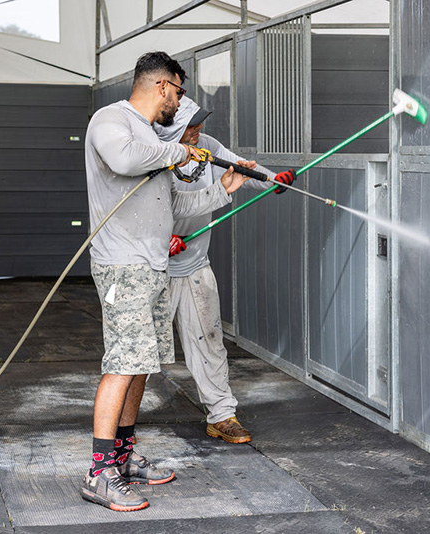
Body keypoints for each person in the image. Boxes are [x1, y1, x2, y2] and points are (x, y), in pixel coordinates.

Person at [82, 51, 253, 512]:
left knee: (141, 364)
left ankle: (122, 457)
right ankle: (99, 473)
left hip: (152, 265)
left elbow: (174, 203)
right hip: (123, 266)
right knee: (122, 363)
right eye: (179, 92)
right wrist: (181, 151)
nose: (179, 103)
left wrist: (222, 190)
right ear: (162, 86)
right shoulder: (112, 121)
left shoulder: (151, 137)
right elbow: (124, 159)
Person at [154, 97, 296, 444]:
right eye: (191, 124)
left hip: (194, 265)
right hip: (154, 270)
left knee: (210, 342)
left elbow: (239, 171)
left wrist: (272, 179)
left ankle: (222, 416)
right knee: (140, 352)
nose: (198, 128)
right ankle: (118, 429)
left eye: (200, 121)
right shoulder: (154, 152)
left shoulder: (208, 146)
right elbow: (140, 208)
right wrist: (160, 237)